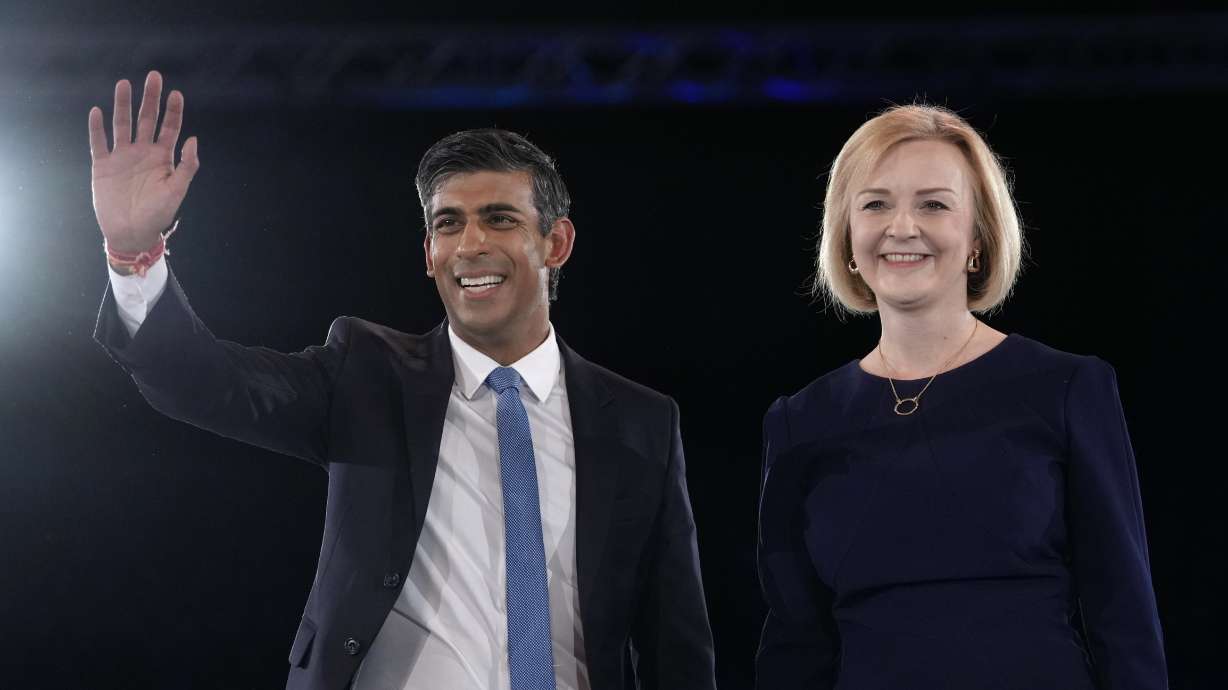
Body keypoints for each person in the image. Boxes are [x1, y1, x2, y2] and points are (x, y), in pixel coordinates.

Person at [89, 71, 716, 690]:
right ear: (428, 253)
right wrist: (134, 254)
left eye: (500, 219)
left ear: (556, 243)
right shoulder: (366, 375)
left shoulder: (641, 421)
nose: (470, 244)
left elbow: (675, 646)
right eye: (448, 223)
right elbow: (206, 382)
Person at [755, 104, 1167, 689]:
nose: (902, 227)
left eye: (934, 204)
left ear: (977, 237)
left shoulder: (1067, 387)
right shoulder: (801, 421)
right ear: (847, 236)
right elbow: (796, 644)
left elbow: (1122, 614)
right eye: (875, 203)